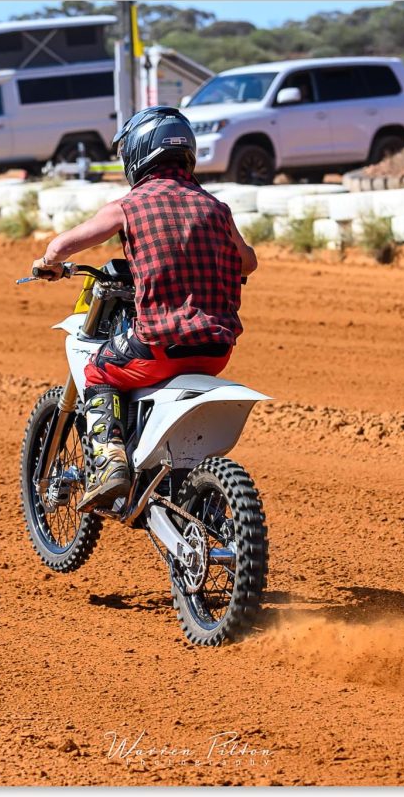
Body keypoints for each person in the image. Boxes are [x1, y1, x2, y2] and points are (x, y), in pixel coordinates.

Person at [30, 106, 258, 512]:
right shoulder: (216, 208)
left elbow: (64, 245)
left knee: (98, 369)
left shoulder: (129, 205)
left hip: (159, 347)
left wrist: (48, 262)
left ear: (137, 153)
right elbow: (249, 262)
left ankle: (110, 464)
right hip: (216, 349)